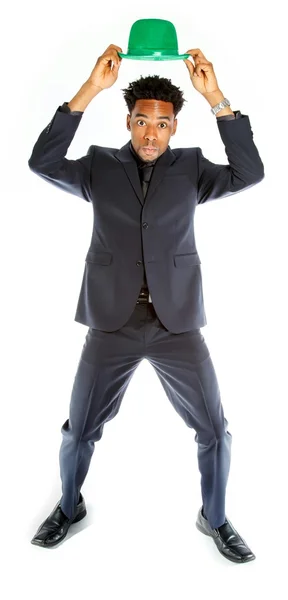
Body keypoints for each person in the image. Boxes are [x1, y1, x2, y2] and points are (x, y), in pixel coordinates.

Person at [28, 44, 264, 561]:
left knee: (214, 429)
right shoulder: (99, 166)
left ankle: (216, 517)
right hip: (111, 321)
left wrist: (217, 98)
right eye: (141, 121)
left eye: (162, 123)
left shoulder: (192, 168)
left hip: (177, 322)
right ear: (130, 121)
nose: (151, 132)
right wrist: (90, 88)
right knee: (80, 428)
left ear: (175, 125)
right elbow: (41, 162)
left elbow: (250, 173)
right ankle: (69, 506)